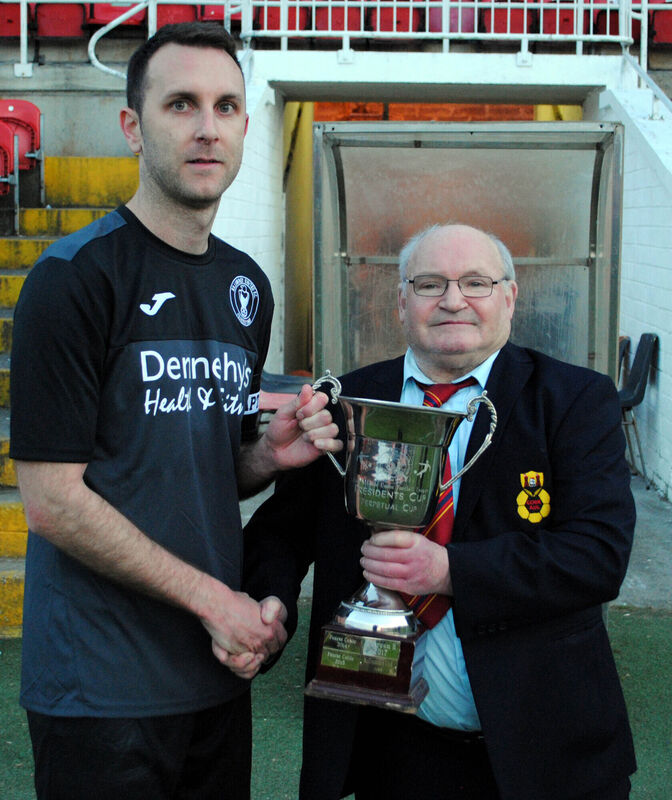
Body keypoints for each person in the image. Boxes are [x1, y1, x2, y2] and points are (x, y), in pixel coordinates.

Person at [9, 22, 338, 800]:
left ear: (245, 129)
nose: (205, 128)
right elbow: (54, 502)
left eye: (226, 107)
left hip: (213, 671)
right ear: (133, 126)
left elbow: (192, 472)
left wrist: (268, 456)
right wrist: (215, 601)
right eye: (181, 104)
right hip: (101, 686)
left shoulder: (245, 285)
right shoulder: (74, 279)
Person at [242, 223, 637, 800]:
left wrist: (449, 571)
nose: (453, 300)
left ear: (509, 295)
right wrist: (268, 603)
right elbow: (282, 533)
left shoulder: (574, 399)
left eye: (475, 281)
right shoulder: (346, 404)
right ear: (402, 301)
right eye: (430, 284)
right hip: (391, 751)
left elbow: (599, 555)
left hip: (543, 750)